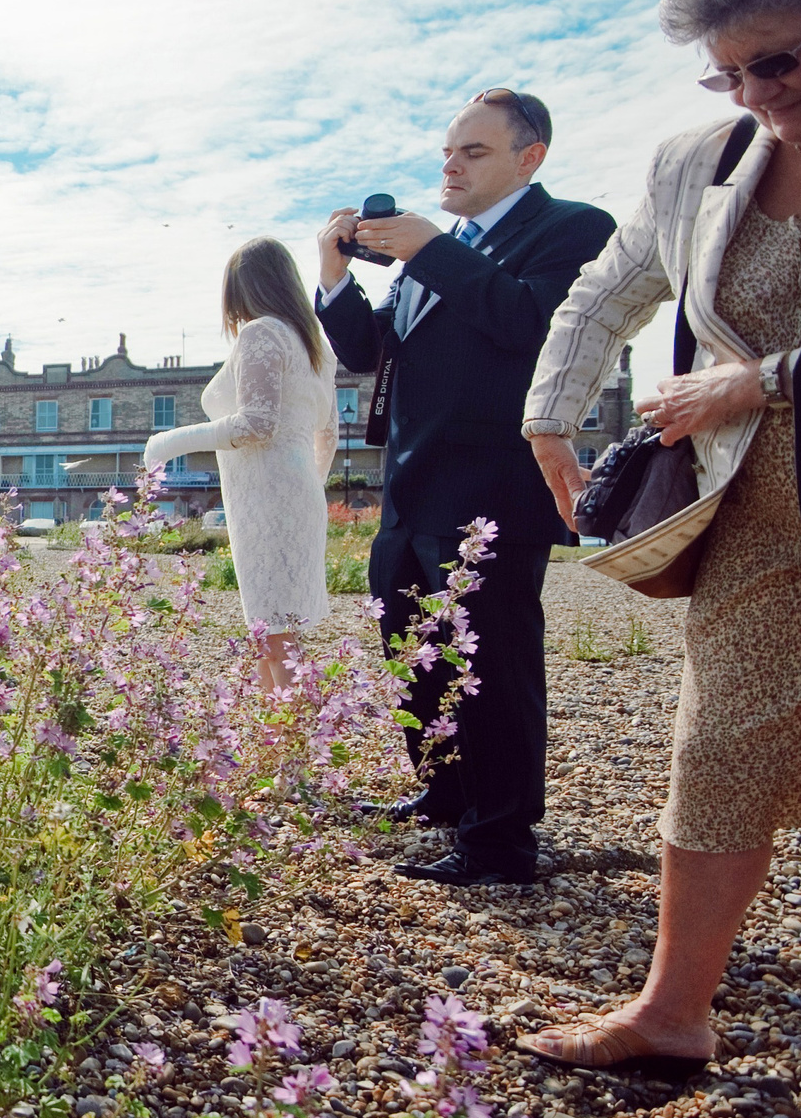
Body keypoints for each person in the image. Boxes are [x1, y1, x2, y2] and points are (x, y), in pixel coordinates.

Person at [512, 0, 801, 1118]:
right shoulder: (705, 163)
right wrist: (548, 414)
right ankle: (674, 1008)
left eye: (777, 60)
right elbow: (602, 292)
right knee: (714, 748)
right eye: (726, 75)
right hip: (760, 519)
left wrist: (759, 378)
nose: (757, 97)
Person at [314, 88, 615, 887]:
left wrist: (429, 251)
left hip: (494, 489)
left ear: (530, 157)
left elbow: (531, 324)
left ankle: (502, 842)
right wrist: (335, 276)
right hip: (409, 490)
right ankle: (446, 795)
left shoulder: (573, 229)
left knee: (495, 669)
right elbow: (370, 355)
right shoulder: (436, 248)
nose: (451, 165)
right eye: (448, 152)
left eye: (473, 152)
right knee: (414, 657)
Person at [143, 238, 339, 694]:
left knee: (275, 636)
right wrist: (308, 486)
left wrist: (167, 443)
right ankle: (269, 744)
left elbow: (256, 425)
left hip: (265, 494)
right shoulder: (316, 346)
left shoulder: (262, 333)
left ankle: (294, 754)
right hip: (296, 493)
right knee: (274, 633)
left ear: (240, 290)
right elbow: (327, 434)